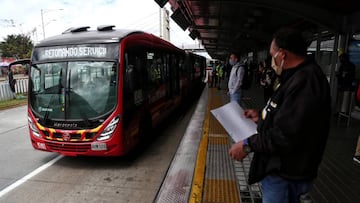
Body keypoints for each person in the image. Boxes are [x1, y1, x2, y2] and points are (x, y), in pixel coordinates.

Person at [229, 28, 331, 203]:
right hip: (282, 170)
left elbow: (285, 135)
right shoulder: (294, 76)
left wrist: (247, 145)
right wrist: (260, 118)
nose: (271, 60)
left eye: (272, 55)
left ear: (282, 55)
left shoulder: (306, 81)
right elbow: (288, 115)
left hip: (286, 174)